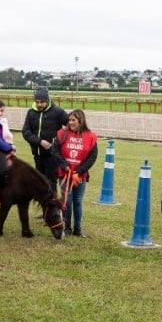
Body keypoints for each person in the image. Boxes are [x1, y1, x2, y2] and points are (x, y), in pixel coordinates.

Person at [53, 109, 98, 237]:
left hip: (80, 176)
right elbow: (55, 151)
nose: (70, 122)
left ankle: (77, 228)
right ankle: (67, 228)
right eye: (70, 120)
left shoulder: (90, 137)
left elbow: (92, 156)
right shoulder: (62, 134)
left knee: (78, 202)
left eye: (73, 120)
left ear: (80, 121)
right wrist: (65, 166)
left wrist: (79, 172)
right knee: (67, 201)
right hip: (65, 175)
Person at [22, 86, 69, 195]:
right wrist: (39, 142)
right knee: (40, 183)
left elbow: (71, 126)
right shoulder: (31, 113)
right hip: (37, 154)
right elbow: (26, 132)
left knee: (51, 183)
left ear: (48, 100)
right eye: (37, 102)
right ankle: (45, 209)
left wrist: (58, 141)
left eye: (42, 102)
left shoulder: (58, 112)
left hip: (52, 155)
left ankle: (53, 210)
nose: (39, 105)